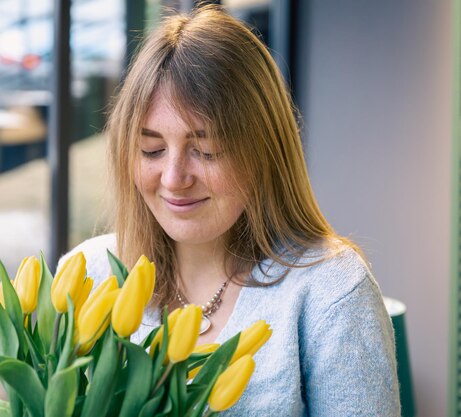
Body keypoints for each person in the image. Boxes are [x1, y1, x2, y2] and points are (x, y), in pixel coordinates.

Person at [61, 5, 400, 416]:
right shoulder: (88, 273)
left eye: (205, 151)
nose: (173, 177)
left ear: (263, 150)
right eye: (151, 150)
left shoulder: (330, 293)